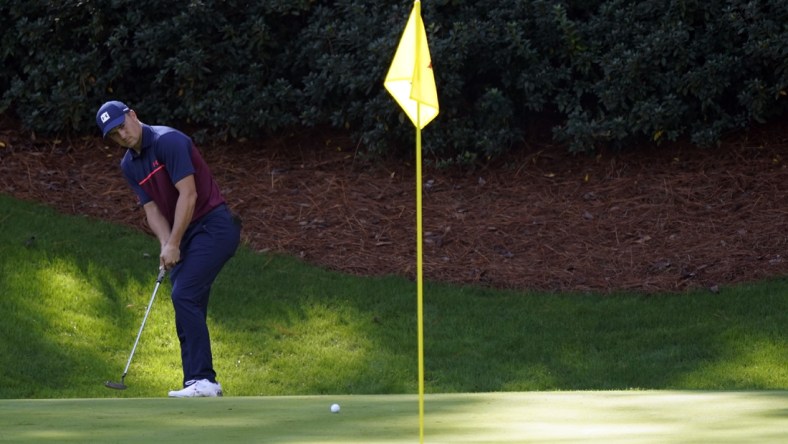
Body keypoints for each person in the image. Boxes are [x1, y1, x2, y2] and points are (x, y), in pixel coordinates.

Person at [96, 100, 240, 398]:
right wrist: (165, 244)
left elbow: (188, 195)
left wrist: (174, 242)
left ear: (133, 115)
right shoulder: (129, 165)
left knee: (183, 293)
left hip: (212, 226)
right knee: (187, 302)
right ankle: (196, 383)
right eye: (114, 134)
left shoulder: (168, 141)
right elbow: (151, 210)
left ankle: (204, 379)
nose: (122, 135)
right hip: (186, 234)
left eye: (123, 126)